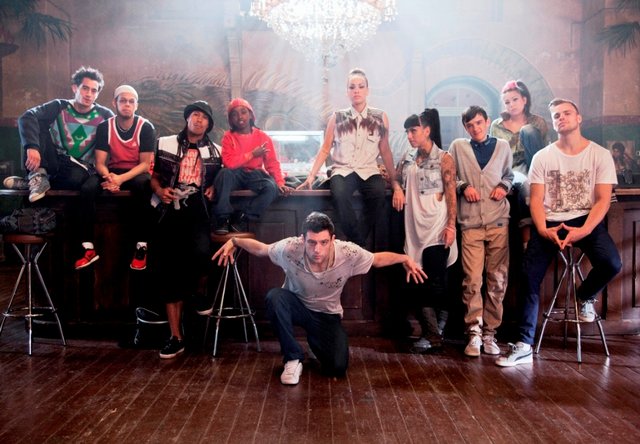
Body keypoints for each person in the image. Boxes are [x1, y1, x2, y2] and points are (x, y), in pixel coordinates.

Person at [212, 211, 427, 385]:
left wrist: (404, 259)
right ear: (303, 239)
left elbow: (377, 259)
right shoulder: (291, 248)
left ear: (333, 239)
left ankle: (316, 344)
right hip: (297, 306)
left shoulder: (348, 253)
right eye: (312, 242)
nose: (317, 249)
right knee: (275, 297)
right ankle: (293, 358)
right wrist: (235, 241)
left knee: (337, 367)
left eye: (324, 242)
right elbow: (262, 249)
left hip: (326, 315)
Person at [496, 98, 622, 367]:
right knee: (528, 275)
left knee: (612, 262)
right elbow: (536, 200)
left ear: (579, 118)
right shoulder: (543, 157)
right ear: (552, 123)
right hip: (550, 221)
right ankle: (524, 345)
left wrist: (583, 230)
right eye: (556, 115)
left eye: (567, 113)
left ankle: (584, 295)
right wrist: (543, 229)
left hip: (585, 220)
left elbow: (603, 200)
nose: (561, 118)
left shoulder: (600, 154)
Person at [12, 66, 114, 269]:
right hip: (54, 162)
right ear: (75, 88)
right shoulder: (59, 106)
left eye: (94, 90)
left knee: (76, 177)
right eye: (85, 88)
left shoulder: (105, 115)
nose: (89, 94)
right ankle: (37, 176)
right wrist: (32, 147)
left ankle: (36, 179)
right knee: (37, 121)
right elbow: (26, 117)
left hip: (81, 169)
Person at [297, 68, 403, 248]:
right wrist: (311, 176)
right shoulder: (337, 117)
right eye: (352, 87)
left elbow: (385, 150)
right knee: (339, 194)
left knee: (378, 193)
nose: (356, 91)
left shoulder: (380, 117)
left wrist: (394, 182)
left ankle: (354, 243)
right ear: (347, 91)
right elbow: (325, 148)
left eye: (361, 86)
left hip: (369, 170)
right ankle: (358, 243)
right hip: (343, 170)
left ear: (367, 90)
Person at [150, 101, 221, 359]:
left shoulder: (217, 151)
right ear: (187, 118)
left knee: (202, 253)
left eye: (204, 117)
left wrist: (215, 187)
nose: (199, 120)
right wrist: (160, 190)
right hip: (169, 209)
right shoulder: (165, 143)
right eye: (195, 115)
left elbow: (220, 178)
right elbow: (153, 175)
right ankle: (175, 337)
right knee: (170, 270)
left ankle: (198, 294)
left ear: (209, 124)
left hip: (199, 208)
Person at [449, 106, 513, 358]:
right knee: (472, 280)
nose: (475, 128)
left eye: (478, 123)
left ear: (487, 122)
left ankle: (490, 333)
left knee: (497, 279)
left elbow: (510, 175)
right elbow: (449, 177)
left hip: (498, 221)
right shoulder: (458, 147)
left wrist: (504, 186)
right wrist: (463, 186)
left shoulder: (503, 146)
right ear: (465, 127)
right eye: (470, 125)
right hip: (471, 223)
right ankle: (473, 332)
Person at [394, 109, 458, 352]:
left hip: (437, 227)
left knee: (434, 282)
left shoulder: (444, 158)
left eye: (414, 131)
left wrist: (451, 225)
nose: (410, 136)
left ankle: (434, 334)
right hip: (414, 228)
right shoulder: (408, 157)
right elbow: (395, 177)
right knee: (416, 281)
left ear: (427, 131)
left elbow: (451, 194)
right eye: (407, 132)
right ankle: (433, 332)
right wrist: (397, 188)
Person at [94, 85, 156, 270]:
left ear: (136, 105)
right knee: (88, 188)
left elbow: (145, 164)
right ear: (115, 103)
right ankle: (87, 246)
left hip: (137, 172)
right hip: (113, 171)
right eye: (123, 101)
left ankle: (141, 245)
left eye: (131, 101)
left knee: (143, 185)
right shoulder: (105, 127)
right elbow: (100, 163)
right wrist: (109, 178)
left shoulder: (145, 127)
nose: (127, 104)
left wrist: (120, 180)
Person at [212, 98, 291, 234]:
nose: (240, 117)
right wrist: (252, 154)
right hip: (235, 174)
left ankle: (243, 217)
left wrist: (279, 182)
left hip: (255, 175)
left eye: (243, 112)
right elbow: (229, 163)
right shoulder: (228, 137)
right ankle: (222, 218)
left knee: (271, 187)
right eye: (234, 114)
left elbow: (272, 163)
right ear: (231, 119)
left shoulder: (263, 137)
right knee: (223, 174)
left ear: (250, 115)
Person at [490, 80, 550, 248]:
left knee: (528, 130)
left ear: (524, 100)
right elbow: (494, 154)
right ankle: (526, 241)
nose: (511, 105)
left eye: (515, 99)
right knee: (525, 184)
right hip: (512, 169)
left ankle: (539, 181)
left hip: (536, 166)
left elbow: (547, 150)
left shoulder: (538, 122)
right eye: (507, 102)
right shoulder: (497, 125)